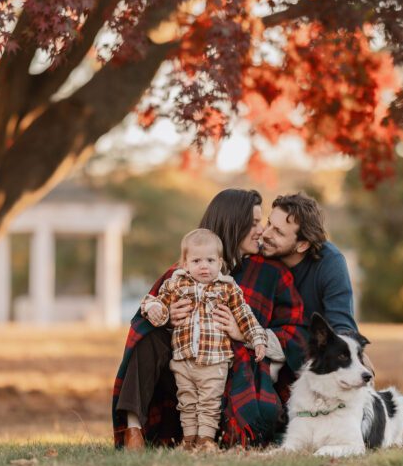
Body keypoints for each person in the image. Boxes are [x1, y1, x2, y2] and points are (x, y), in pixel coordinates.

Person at [112, 189, 305, 450]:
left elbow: (296, 334)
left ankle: (213, 435)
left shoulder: (271, 273)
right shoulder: (184, 272)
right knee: (149, 337)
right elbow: (143, 317)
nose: (261, 230)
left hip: (233, 377)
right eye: (254, 223)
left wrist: (244, 334)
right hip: (182, 379)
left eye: (262, 222)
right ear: (233, 224)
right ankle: (133, 427)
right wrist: (166, 318)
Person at [142, 229, 268, 452]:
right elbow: (159, 304)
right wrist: (153, 308)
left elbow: (245, 316)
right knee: (187, 401)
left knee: (209, 402)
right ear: (185, 263)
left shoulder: (227, 287)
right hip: (183, 359)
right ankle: (189, 440)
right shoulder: (176, 284)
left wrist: (257, 339)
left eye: (210, 260)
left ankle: (205, 440)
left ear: (220, 263)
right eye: (197, 260)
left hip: (215, 361)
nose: (204, 266)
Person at [260, 192, 361, 338]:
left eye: (278, 232)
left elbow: (342, 328)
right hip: (269, 346)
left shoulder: (330, 263)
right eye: (269, 223)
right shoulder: (260, 255)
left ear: (302, 245)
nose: (265, 234)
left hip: (315, 351)